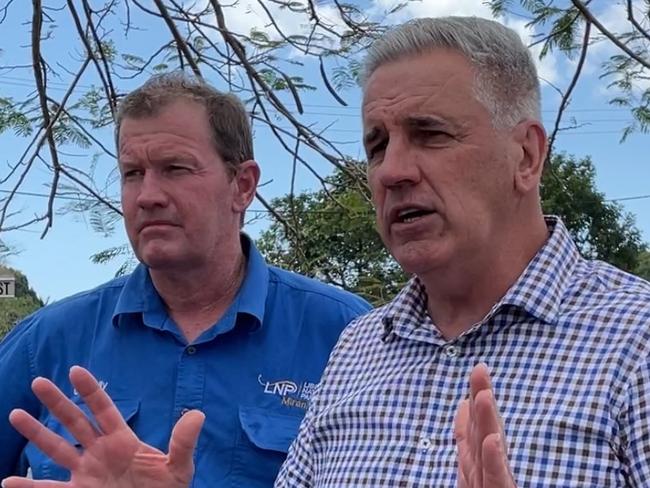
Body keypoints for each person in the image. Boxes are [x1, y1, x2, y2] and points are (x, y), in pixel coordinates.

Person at [5, 15, 650, 488]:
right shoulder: (360, 353)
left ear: (527, 155)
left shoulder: (636, 346)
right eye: (375, 146)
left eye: (429, 134)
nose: (392, 170)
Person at [0, 73, 371, 486]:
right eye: (132, 173)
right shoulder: (45, 342)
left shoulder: (349, 336)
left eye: (175, 168)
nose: (148, 195)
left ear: (243, 186)